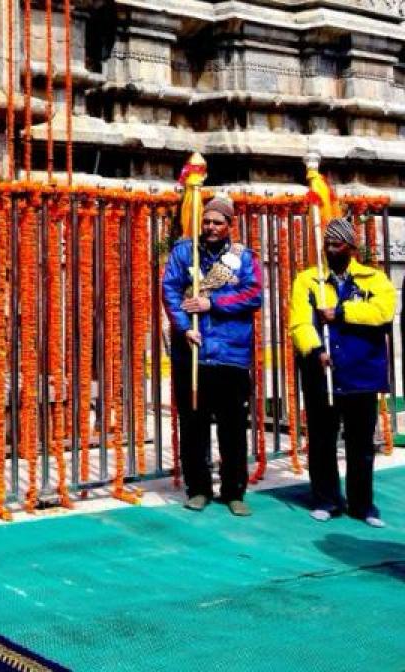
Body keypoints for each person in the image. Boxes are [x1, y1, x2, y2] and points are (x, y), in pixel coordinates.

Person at [289, 216, 396, 528]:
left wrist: (341, 312)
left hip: (361, 371)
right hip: (323, 373)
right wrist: (316, 350)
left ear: (351, 247)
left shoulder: (373, 279)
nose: (330, 250)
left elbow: (383, 312)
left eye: (337, 245)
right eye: (327, 244)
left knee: (361, 442)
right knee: (322, 440)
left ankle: (362, 505)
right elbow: (299, 323)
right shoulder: (308, 280)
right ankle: (326, 499)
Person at [162, 196, 263, 516]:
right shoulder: (183, 252)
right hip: (193, 351)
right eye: (206, 221)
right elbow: (170, 290)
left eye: (217, 222)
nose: (210, 227)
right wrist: (183, 327)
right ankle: (199, 488)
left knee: (233, 427)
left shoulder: (243, 258)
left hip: (231, 355)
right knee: (193, 425)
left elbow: (253, 295)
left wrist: (213, 302)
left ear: (229, 225)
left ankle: (234, 490)